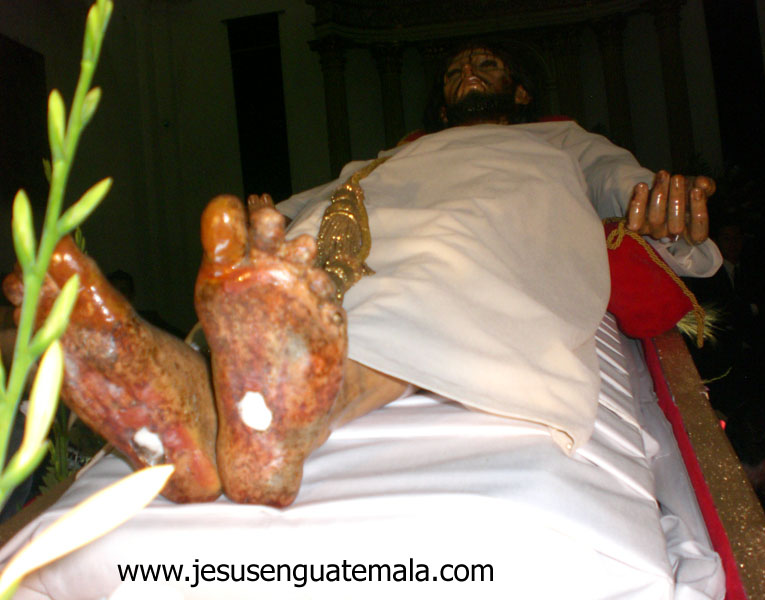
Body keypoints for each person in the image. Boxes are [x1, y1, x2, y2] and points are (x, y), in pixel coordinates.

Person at [3, 40, 720, 507]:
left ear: (522, 91)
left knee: (439, 268)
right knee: (307, 260)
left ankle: (301, 405)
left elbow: (634, 191)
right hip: (376, 210)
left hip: (500, 202)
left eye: (485, 65)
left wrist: (669, 213)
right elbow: (323, 194)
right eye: (453, 72)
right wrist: (273, 218)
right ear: (441, 101)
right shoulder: (396, 153)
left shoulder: (559, 139)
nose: (467, 75)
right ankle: (202, 394)